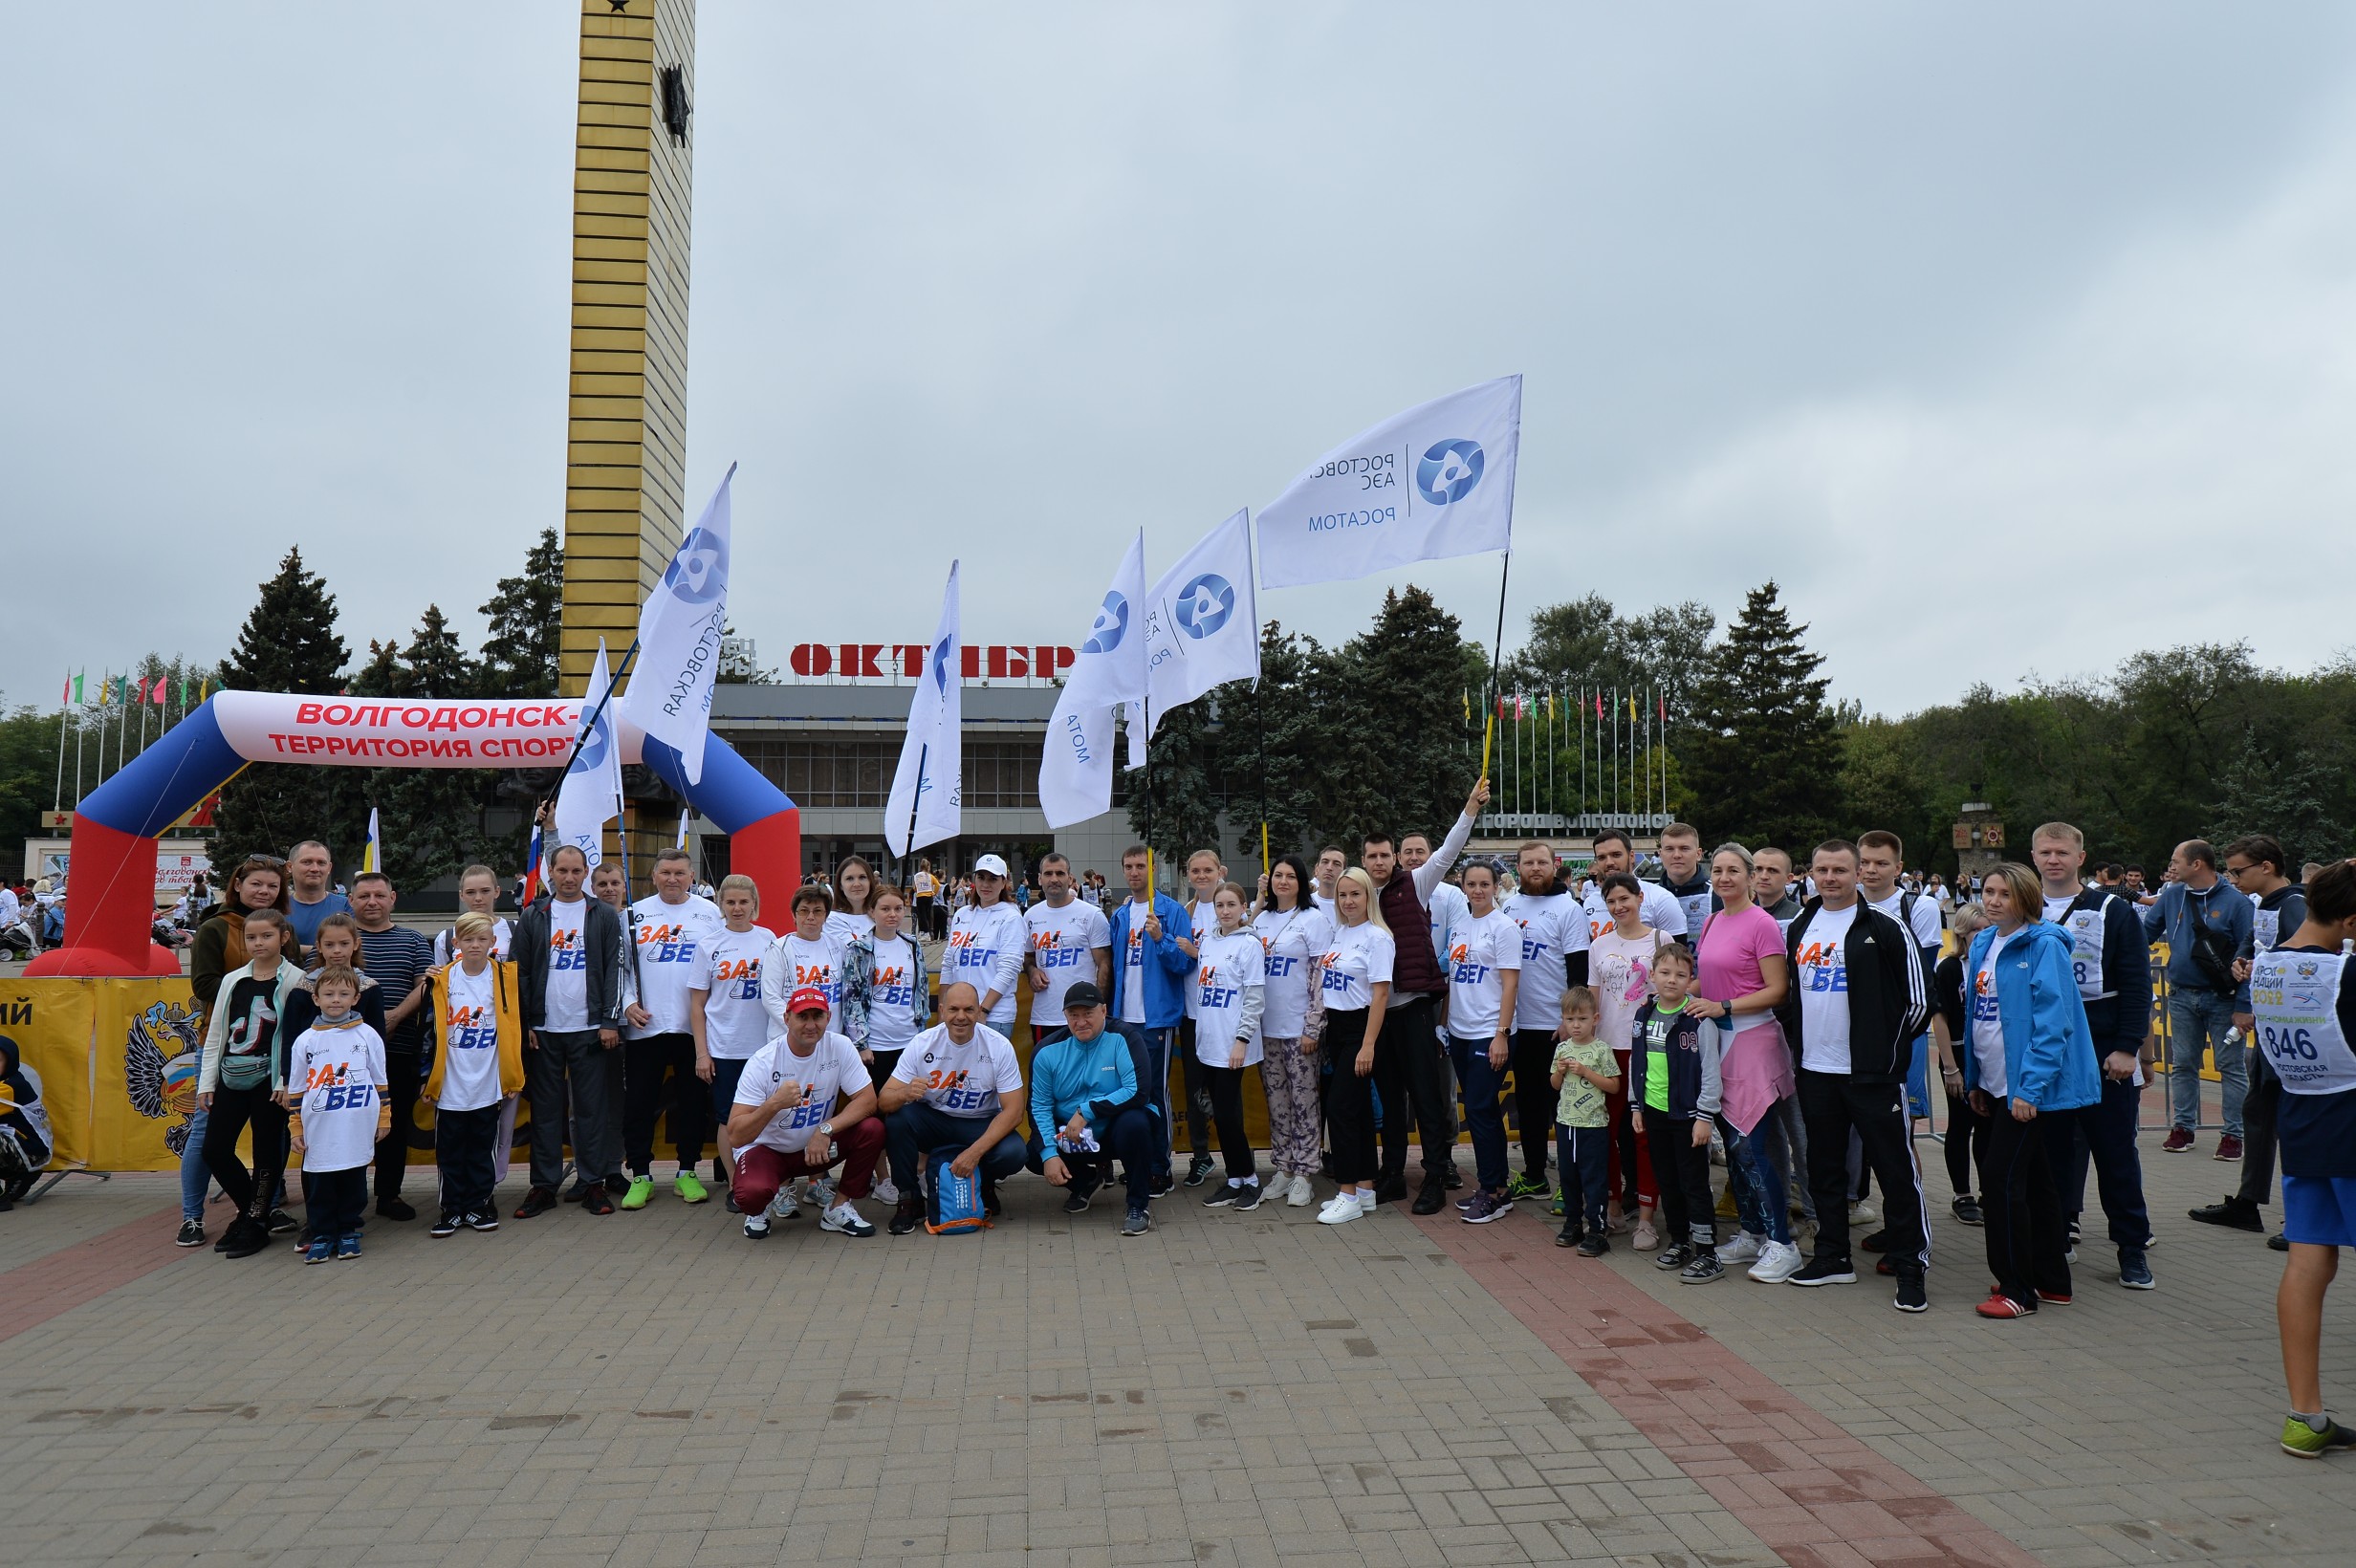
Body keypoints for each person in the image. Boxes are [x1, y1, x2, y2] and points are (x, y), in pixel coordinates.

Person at [1778, 839, 1932, 1312]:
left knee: (1895, 1170)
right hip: (1816, 1072)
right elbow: (1792, 997)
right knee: (1823, 1171)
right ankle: (1832, 1257)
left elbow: (1919, 1003)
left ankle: (1911, 1266)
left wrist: (1883, 1052)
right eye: (1822, 870)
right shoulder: (1802, 924)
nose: (1830, 878)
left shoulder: (1886, 927)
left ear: (1857, 872)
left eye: (1840, 870)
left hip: (1872, 1076)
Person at [2247, 860, 2356, 1455]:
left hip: (2303, 1124)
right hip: (2349, 1122)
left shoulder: (2266, 962)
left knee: (2309, 1264)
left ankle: (2304, 1416)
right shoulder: (2348, 971)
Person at [1963, 862, 2102, 1318]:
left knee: (2000, 1182)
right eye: (1989, 892)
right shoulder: (1984, 941)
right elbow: (1979, 1017)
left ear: (2026, 898)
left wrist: (2030, 1089)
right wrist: (1977, 1081)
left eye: (2005, 894)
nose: (1994, 901)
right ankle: (2050, 1279)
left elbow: (2053, 1022)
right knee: (2038, 1182)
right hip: (1997, 1081)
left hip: (2028, 1089)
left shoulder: (2044, 946)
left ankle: (2016, 1289)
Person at [2028, 821, 2155, 1288]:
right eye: (2044, 852)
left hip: (2103, 1048)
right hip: (2047, 1047)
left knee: (2115, 1152)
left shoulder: (2112, 909)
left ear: (2081, 858)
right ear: (2034, 858)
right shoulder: (2023, 908)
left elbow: (2138, 984)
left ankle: (2131, 1247)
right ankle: (2056, 1236)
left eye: (2062, 852)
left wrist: (2128, 1048)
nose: (2053, 860)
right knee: (2052, 1152)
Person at [1364, 777, 1488, 1214]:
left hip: (1415, 1008)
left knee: (1426, 1096)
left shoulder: (1415, 884)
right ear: (1364, 860)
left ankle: (1435, 1175)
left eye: (1385, 855)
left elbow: (1448, 851)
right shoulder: (1357, 897)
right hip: (1376, 1017)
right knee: (1390, 1099)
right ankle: (1393, 1173)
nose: (1379, 862)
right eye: (1372, 856)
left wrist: (1470, 807)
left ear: (1394, 858)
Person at [1688, 843, 1803, 1284]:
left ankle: (1783, 1243)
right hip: (1718, 1041)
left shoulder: (1763, 924)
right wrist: (1670, 992)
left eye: (1733, 870)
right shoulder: (1714, 920)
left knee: (1755, 1150)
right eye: (1717, 870)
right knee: (1735, 1151)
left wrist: (1725, 1006)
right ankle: (1754, 1231)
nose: (1723, 878)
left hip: (1754, 1042)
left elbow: (1778, 990)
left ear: (1752, 876)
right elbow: (1707, 977)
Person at [2196, 836, 2309, 1241]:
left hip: (2293, 1032)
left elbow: (2307, 956)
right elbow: (2250, 948)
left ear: (2266, 867)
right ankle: (2248, 1203)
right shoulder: (2262, 904)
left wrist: (2260, 967)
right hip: (2271, 1028)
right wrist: (2242, 963)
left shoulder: (2295, 904)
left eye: (2238, 870)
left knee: (2294, 1121)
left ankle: (2304, 1219)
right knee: (2258, 1112)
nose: (2233, 878)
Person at [180, 857, 289, 1246]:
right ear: (238, 884)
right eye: (256, 883)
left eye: (272, 886)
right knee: (207, 1137)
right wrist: (250, 981)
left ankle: (263, 1210)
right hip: (226, 1048)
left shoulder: (285, 948)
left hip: (271, 1062)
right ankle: (193, 1214)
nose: (264, 891)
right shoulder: (216, 929)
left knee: (270, 1140)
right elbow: (204, 985)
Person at [513, 845, 625, 1219]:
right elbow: (521, 971)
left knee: (591, 1111)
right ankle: (543, 1186)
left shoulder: (603, 915)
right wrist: (528, 1022)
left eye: (576, 870)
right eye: (562, 870)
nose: (569, 877)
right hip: (544, 1029)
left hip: (590, 1029)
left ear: (584, 872)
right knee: (545, 1112)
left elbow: (614, 971)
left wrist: (609, 1021)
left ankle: (593, 1183)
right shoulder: (534, 915)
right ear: (551, 872)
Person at [726, 987, 882, 1239]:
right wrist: (774, 1104)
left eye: (817, 1016)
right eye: (802, 1017)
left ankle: (838, 1207)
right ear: (787, 1019)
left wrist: (825, 1129)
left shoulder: (839, 1046)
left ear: (828, 1018)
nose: (811, 1025)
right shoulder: (763, 1061)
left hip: (815, 1149)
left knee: (872, 1129)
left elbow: (867, 1100)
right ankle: (761, 1207)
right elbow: (735, 1135)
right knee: (750, 1196)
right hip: (770, 1151)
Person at [196, 908, 305, 1260]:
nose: (259, 943)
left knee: (266, 1153)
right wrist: (206, 1083)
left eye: (266, 936)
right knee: (214, 1149)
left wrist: (287, 1080)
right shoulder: (232, 980)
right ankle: (253, 1214)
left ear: (283, 937)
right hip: (232, 1074)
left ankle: (253, 1223)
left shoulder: (295, 980)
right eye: (251, 937)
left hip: (270, 1082)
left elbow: (296, 1039)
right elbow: (217, 1034)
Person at [879, 982, 1029, 1234]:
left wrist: (974, 1153)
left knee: (1014, 1152)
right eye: (954, 1009)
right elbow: (884, 1099)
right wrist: (904, 1093)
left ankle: (982, 1185)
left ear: (980, 1011)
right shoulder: (923, 1043)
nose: (961, 1017)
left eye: (969, 1010)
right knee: (897, 1119)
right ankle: (909, 1200)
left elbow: (1014, 1111)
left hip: (979, 1123)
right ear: (941, 1011)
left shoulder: (998, 1046)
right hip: (935, 1120)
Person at [619, 848, 722, 1210]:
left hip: (693, 1027)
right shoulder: (634, 913)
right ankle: (641, 1175)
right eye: (665, 873)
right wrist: (628, 1002)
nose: (673, 879)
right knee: (639, 1103)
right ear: (654, 876)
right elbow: (623, 968)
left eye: (680, 873)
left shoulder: (709, 913)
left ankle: (687, 1171)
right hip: (646, 1025)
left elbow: (719, 967)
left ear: (692, 876)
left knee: (693, 1102)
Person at [2142, 839, 2256, 1159]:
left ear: (2197, 865)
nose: (2170, 866)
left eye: (2176, 860)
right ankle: (2183, 1128)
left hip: (2223, 999)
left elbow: (2250, 957)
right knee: (2184, 1065)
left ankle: (2233, 1134)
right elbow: (2146, 934)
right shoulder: (2172, 896)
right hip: (2180, 996)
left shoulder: (2237, 903)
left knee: (2230, 1067)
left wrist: (2243, 1006)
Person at [1627, 944, 1727, 1281]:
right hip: (1654, 1113)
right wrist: (1636, 1106)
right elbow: (1636, 1062)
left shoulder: (1698, 1020)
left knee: (1694, 1183)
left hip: (1688, 1117)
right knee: (1667, 1180)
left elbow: (1711, 1072)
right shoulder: (1643, 1014)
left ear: (1691, 980)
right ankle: (1680, 1240)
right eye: (1665, 973)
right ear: (1651, 976)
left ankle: (1707, 1251)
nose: (1672, 980)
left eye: (1681, 975)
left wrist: (1704, 1117)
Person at [421, 911, 521, 1236]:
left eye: (482, 939)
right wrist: (426, 1075)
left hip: (487, 1081)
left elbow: (516, 1027)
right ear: (456, 943)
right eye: (468, 939)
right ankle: (451, 1208)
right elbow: (428, 1032)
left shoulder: (506, 978)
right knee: (450, 1150)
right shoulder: (441, 980)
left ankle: (480, 1204)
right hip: (450, 1082)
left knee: (482, 1147)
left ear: (494, 943)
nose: (475, 945)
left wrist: (512, 1075)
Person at [280, 964, 387, 1264]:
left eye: (343, 994)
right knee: (320, 1184)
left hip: (355, 1125)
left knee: (354, 1179)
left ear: (356, 998)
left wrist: (384, 1117)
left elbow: (380, 1079)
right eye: (328, 994)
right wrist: (296, 1126)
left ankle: (349, 1230)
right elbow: (297, 1086)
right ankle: (322, 1234)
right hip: (319, 1128)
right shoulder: (305, 1041)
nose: (336, 1000)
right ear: (316, 999)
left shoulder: (368, 1036)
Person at [1031, 981, 1157, 1235]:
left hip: (1115, 1128)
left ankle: (1137, 1206)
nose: (1081, 1022)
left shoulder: (1124, 1037)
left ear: (1104, 1010)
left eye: (1088, 1014)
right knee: (1033, 1154)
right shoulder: (1046, 1051)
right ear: (1065, 1016)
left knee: (1136, 1123)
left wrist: (1086, 1111)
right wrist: (1049, 1155)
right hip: (1073, 1137)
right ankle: (1086, 1181)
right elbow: (1039, 1107)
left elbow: (1138, 1091)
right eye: (1073, 1015)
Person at [1106, 845, 1193, 1196]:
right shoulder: (1121, 915)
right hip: (1123, 1019)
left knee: (1155, 1092)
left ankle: (1161, 1167)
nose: (1134, 872)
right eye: (1128, 866)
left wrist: (1161, 939)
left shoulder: (1170, 911)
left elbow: (1185, 964)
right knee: (1127, 1094)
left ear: (1153, 869)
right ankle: (1138, 1165)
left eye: (1141, 866)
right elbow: (1116, 968)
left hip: (1155, 1019)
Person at [1502, 841, 1585, 1205]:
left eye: (1542, 862)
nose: (1535, 868)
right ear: (1517, 867)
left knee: (1565, 1108)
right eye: (1528, 863)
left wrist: (1570, 1022)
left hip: (1557, 1028)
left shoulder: (1569, 909)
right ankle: (1535, 1175)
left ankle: (1571, 1183)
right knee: (1530, 1106)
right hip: (1521, 1025)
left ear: (1554, 865)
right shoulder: (1508, 906)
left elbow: (1579, 973)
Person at [348, 872, 433, 1222]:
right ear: (351, 900)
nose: (372, 902)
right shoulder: (340, 938)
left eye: (379, 895)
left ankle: (388, 1194)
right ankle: (348, 1198)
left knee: (392, 1126)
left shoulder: (412, 940)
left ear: (392, 898)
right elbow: (316, 984)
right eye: (364, 895)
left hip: (397, 1049)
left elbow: (427, 984)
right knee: (348, 1124)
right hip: (343, 1055)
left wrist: (394, 1017)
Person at [1589, 872, 1668, 1246]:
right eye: (1611, 901)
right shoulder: (1600, 945)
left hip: (1650, 1048)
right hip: (1608, 1048)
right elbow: (1594, 998)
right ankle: (1613, 1206)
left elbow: (1676, 987)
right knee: (1606, 1132)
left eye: (1625, 899)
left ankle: (1647, 1218)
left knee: (1643, 1134)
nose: (1619, 907)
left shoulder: (1660, 940)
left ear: (1639, 898)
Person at [1251, 854, 1332, 1208]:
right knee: (1277, 1101)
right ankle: (1283, 1167)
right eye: (1277, 876)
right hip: (1266, 1028)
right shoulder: (1262, 920)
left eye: (1290, 876)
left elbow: (1320, 978)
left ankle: (1305, 1172)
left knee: (1304, 1102)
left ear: (1301, 881)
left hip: (1299, 1028)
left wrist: (1314, 1025)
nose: (1282, 882)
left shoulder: (1313, 920)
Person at [1443, 859, 1522, 1223]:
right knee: (1482, 1112)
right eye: (1471, 885)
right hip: (1459, 1032)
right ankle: (1498, 1188)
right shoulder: (1459, 925)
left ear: (1495, 886)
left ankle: (1491, 1191)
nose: (1477, 891)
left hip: (1489, 1033)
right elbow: (1454, 980)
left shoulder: (1504, 927)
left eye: (1484, 885)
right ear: (1463, 887)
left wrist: (1501, 1034)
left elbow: (1510, 984)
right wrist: (1445, 1024)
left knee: (1479, 1110)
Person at [689, 874, 776, 1203]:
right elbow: (697, 1005)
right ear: (720, 905)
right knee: (729, 1118)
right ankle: (734, 1184)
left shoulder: (770, 939)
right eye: (730, 902)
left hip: (765, 1047)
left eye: (743, 902)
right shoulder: (709, 945)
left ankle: (769, 1178)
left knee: (767, 1116)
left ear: (754, 904)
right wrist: (702, 1053)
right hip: (725, 1048)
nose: (737, 908)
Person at [1317, 867, 1394, 1226]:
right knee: (1358, 1111)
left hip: (1360, 1028)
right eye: (1343, 895)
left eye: (1356, 894)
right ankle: (1365, 1188)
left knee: (1340, 1110)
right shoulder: (1341, 933)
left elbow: (1380, 994)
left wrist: (1368, 1045)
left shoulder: (1378, 938)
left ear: (1369, 897)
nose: (1348, 901)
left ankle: (1347, 1191)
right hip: (1337, 1027)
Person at [1857, 831, 1945, 1140]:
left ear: (1898, 868)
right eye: (1864, 862)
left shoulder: (1920, 907)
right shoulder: (1841, 906)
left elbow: (1922, 977)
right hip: (1852, 1032)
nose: (1870, 870)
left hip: (1901, 1029)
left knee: (1899, 1136)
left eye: (1881, 863)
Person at [1188, 881, 1269, 1210]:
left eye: (1231, 905)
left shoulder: (1249, 945)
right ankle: (1234, 1178)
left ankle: (1250, 1180)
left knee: (1229, 1116)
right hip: (1209, 1042)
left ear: (1243, 908)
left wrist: (1241, 1041)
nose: (1225, 911)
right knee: (1219, 1115)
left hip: (1233, 1044)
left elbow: (1253, 997)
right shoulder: (1208, 941)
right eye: (1220, 906)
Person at [1929, 901, 1995, 1230]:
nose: (1982, 936)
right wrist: (1951, 1067)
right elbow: (1939, 1018)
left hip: (1990, 1057)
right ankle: (1961, 1194)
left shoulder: (1996, 964)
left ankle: (1989, 1191)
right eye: (1975, 930)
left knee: (1987, 1125)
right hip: (1959, 1055)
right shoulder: (1951, 967)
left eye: (1987, 929)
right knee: (1960, 1124)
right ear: (1962, 933)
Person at [1169, 849, 1230, 1187]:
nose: (1202, 876)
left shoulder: (1231, 906)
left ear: (1220, 871)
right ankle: (1201, 1155)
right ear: (1188, 874)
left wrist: (1199, 953)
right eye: (1195, 870)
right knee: (1195, 1091)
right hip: (1192, 1015)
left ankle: (1238, 1153)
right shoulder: (1186, 912)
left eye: (1208, 870)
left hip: (1223, 1015)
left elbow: (1239, 952)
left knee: (1225, 1091)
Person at [1549, 988, 1621, 1254]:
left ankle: (1598, 1229)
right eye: (1569, 1020)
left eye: (1581, 1019)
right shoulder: (1562, 1049)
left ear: (1595, 1019)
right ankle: (1572, 1223)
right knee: (1568, 1177)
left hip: (1593, 1126)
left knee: (1593, 1179)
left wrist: (1586, 1072)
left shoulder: (1601, 1050)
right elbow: (1554, 1085)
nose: (1575, 1025)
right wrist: (1559, 1071)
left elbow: (1613, 1086)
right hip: (1566, 1123)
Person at [1024, 852, 1113, 1047]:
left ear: (1070, 878)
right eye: (1048, 874)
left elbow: (1105, 964)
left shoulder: (1092, 915)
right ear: (1039, 879)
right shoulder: (1030, 916)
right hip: (1044, 1017)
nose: (1054, 879)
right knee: (1048, 1075)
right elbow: (1028, 957)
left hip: (1083, 1019)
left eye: (1060, 873)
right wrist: (1032, 971)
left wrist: (1097, 1008)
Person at [942, 854, 1026, 1039]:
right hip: (959, 1015)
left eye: (993, 879)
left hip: (993, 1017)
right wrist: (944, 1009)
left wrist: (983, 1011)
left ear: (1004, 882)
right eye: (981, 877)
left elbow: (1009, 970)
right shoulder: (962, 914)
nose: (986, 884)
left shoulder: (1011, 917)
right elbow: (949, 963)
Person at [1577, 829, 1688, 946]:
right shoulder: (1590, 903)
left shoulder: (1660, 898)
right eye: (1602, 857)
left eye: (1616, 855)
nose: (1609, 862)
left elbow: (1679, 957)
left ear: (1632, 856)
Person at [0, 1034, 54, 1210]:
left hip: (32, 1151)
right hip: (20, 1145)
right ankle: (18, 1177)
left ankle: (5, 1194)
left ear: (10, 1062)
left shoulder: (10, 1086)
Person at [432, 863, 513, 966]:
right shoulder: (446, 938)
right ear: (461, 895)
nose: (478, 898)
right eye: (470, 892)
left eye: (485, 891)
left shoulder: (516, 929)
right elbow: (443, 977)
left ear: (497, 892)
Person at [284, 840, 351, 950]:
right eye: (307, 862)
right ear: (290, 866)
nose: (315, 869)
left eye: (321, 863)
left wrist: (293, 949)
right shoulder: (277, 906)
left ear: (329, 868)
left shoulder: (346, 906)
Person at [1657, 824, 1712, 940]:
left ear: (1698, 854)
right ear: (1661, 854)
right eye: (1669, 849)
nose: (1677, 855)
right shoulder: (1650, 896)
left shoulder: (1716, 894)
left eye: (1684, 848)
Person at [826, 856, 884, 946]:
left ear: (870, 882)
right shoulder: (832, 920)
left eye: (862, 877)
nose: (857, 884)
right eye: (849, 879)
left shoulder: (879, 917)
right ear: (840, 885)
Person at [1312, 846, 1347, 921]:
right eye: (1325, 862)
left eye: (1336, 864)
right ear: (1317, 869)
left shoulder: (1348, 906)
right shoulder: (1304, 903)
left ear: (1344, 873)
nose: (1329, 868)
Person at [912, 860, 940, 940]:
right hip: (929, 896)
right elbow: (937, 885)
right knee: (927, 915)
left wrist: (917, 889)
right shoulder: (930, 876)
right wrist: (934, 892)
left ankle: (924, 932)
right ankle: (926, 933)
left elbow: (915, 888)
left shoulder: (917, 876)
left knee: (921, 915)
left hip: (920, 896)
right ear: (928, 867)